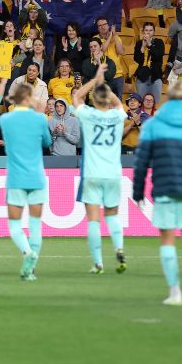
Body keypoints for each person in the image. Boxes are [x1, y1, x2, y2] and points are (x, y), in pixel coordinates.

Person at [132, 85, 182, 306]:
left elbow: (141, 161)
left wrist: (138, 190)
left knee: (167, 240)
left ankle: (175, 292)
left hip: (165, 188)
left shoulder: (154, 125)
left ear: (167, 98)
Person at [71, 63, 128, 274]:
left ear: (94, 99)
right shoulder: (118, 116)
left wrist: (95, 80)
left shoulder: (87, 114)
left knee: (93, 220)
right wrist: (105, 87)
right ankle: (119, 249)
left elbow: (76, 97)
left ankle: (98, 263)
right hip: (113, 173)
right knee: (112, 216)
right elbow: (118, 102)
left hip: (93, 174)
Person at [0, 82, 52, 280]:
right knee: (35, 225)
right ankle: (31, 269)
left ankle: (27, 253)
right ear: (30, 97)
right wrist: (39, 112)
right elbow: (47, 142)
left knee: (14, 226)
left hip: (16, 178)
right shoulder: (39, 119)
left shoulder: (5, 119)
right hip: (36, 177)